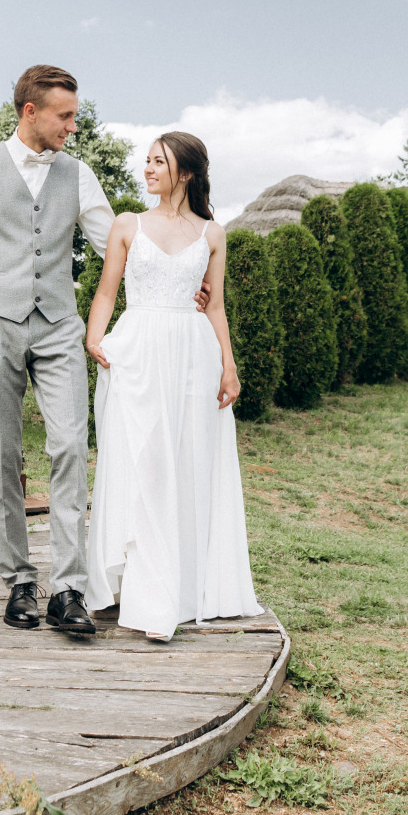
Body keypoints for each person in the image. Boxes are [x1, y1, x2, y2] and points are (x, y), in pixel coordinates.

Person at [0, 65, 207, 636]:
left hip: (59, 325)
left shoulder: (79, 175)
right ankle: (18, 581)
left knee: (68, 447)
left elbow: (121, 243)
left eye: (75, 116)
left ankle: (69, 590)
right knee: (4, 456)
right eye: (65, 116)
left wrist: (185, 274)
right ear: (30, 112)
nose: (72, 127)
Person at [83, 132, 264, 642]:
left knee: (186, 462)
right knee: (143, 463)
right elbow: (105, 291)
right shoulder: (127, 224)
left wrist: (229, 366)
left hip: (192, 355)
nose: (147, 169)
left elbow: (216, 307)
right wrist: (93, 336)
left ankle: (179, 591)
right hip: (138, 351)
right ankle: (143, 590)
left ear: (184, 171)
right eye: (146, 161)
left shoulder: (213, 234)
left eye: (158, 162)